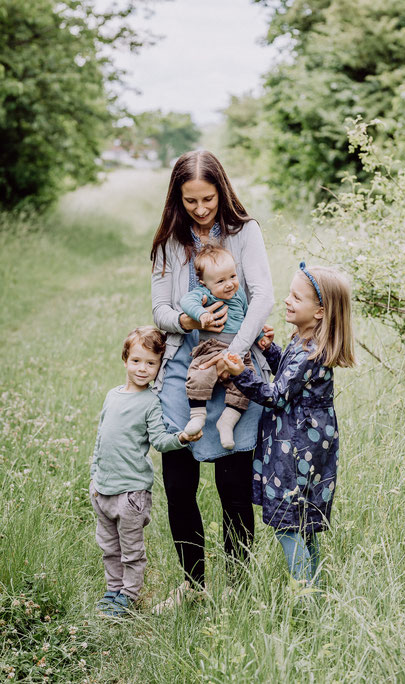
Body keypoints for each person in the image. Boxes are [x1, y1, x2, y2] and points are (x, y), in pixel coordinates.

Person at [150, 150, 274, 610]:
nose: (201, 209)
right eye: (190, 201)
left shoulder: (245, 233)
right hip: (184, 372)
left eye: (207, 198)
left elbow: (262, 296)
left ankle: (239, 586)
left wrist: (235, 354)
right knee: (179, 486)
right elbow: (160, 308)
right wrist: (188, 323)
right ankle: (193, 585)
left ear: (222, 190)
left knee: (234, 487)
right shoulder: (169, 242)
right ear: (177, 200)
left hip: (236, 371)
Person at [223, 262, 355, 585]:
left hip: (295, 448)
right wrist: (270, 352)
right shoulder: (305, 343)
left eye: (297, 297)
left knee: (287, 524)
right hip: (308, 445)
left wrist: (243, 375)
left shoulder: (311, 353)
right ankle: (317, 591)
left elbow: (276, 395)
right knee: (304, 521)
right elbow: (290, 375)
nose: (287, 300)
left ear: (320, 312)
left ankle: (303, 593)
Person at [90, 326, 201, 618]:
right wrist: (94, 477)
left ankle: (129, 595)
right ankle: (113, 590)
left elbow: (159, 441)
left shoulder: (152, 402)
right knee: (109, 547)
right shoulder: (112, 396)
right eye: (137, 361)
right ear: (125, 359)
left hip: (131, 493)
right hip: (103, 489)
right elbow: (101, 438)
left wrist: (181, 438)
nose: (142, 368)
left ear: (159, 367)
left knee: (131, 549)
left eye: (151, 363)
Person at [181, 243, 268, 449]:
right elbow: (187, 301)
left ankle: (228, 420)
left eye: (232, 276)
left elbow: (249, 318)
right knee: (199, 374)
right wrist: (201, 313)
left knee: (245, 383)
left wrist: (261, 336)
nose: (229, 284)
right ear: (204, 283)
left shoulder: (239, 296)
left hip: (239, 350)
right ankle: (197, 416)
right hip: (211, 348)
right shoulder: (205, 294)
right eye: (221, 281)